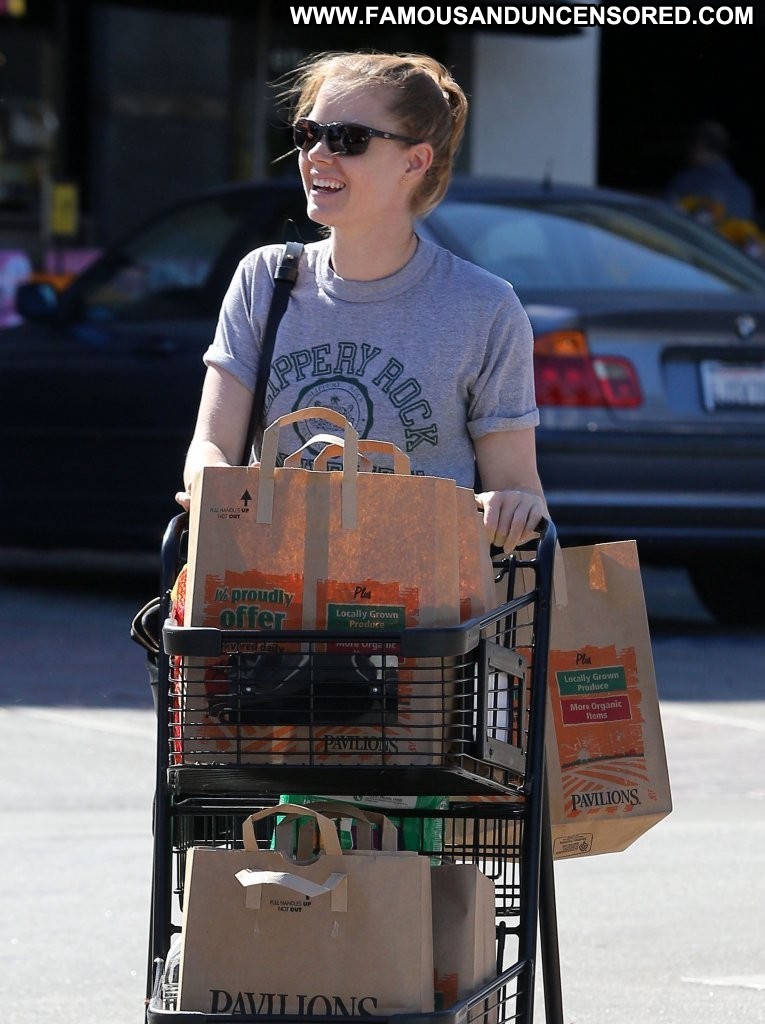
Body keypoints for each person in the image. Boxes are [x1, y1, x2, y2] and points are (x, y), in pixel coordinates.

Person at [176, 50, 546, 553]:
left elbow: (518, 490)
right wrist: (209, 483)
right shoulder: (264, 280)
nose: (317, 154)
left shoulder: (485, 308)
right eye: (309, 133)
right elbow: (211, 445)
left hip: (417, 592)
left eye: (348, 138)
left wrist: (513, 508)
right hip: (271, 583)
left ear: (415, 162)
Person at [665, 119, 755, 224]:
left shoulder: (689, 180)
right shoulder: (745, 192)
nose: (688, 152)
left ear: (700, 146)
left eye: (691, 145)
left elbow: (662, 214)